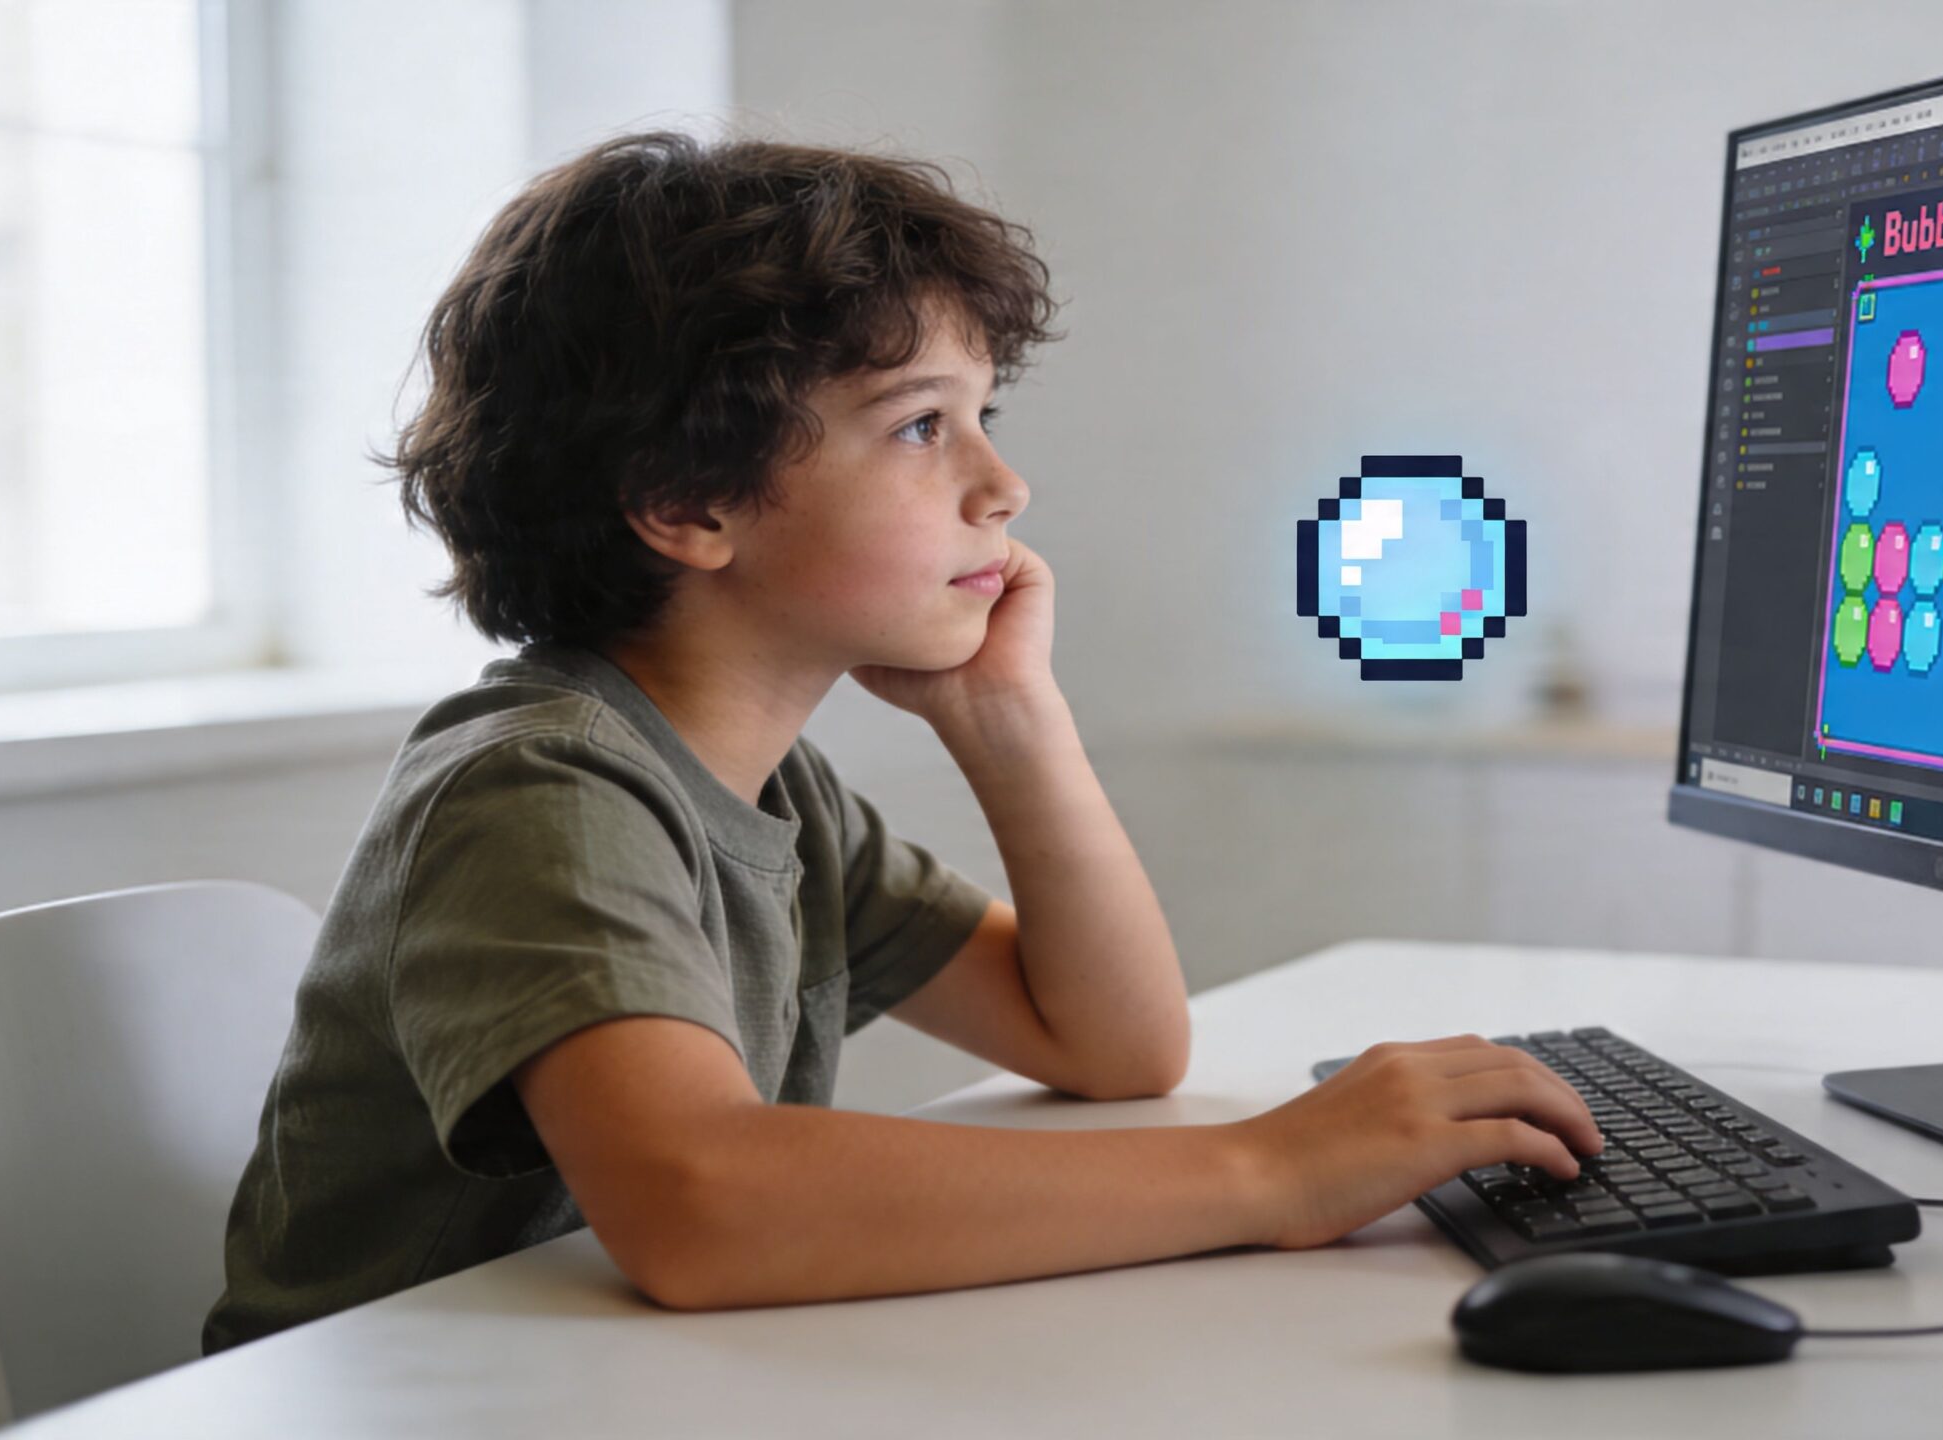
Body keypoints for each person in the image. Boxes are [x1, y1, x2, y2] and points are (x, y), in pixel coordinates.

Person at [203, 131, 1599, 1350]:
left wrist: (1015, 723)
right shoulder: (541, 787)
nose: (1005, 483)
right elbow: (701, 1204)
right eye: (924, 425)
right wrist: (1274, 1172)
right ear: (687, 502)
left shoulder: (776, 794)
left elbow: (1113, 1043)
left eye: (984, 416)